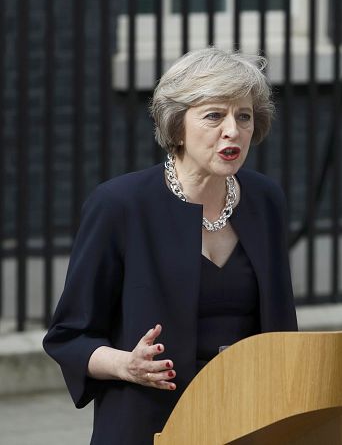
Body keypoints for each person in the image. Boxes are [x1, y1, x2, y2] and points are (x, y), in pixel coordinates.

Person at [43, 47, 298, 444]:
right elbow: (68, 336)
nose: (233, 130)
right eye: (214, 115)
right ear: (177, 125)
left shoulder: (265, 200)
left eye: (243, 116)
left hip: (247, 418)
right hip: (149, 424)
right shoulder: (120, 205)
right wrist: (127, 365)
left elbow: (280, 328)